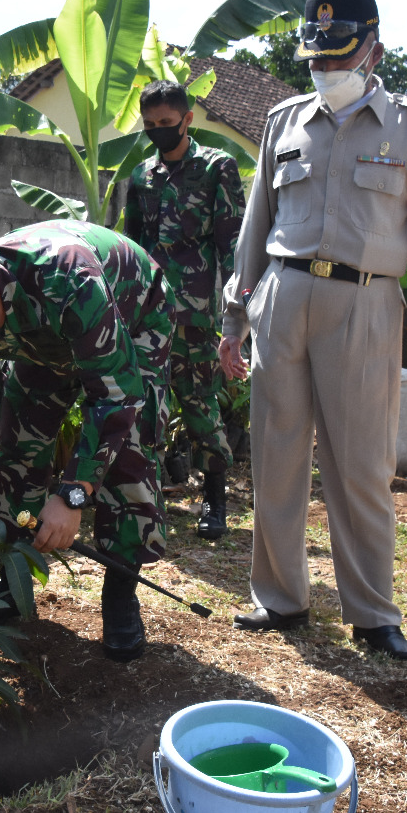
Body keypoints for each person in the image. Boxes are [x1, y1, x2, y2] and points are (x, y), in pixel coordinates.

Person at [216, 0, 407, 661]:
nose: (324, 70)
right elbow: (254, 226)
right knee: (277, 457)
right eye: (316, 59)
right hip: (284, 297)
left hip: (365, 302)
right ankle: (280, 596)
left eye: (339, 57)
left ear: (373, 50)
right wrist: (236, 315)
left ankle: (373, 612)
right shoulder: (283, 122)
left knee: (361, 465)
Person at [0, 219, 173, 662]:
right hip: (45, 335)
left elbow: (115, 396)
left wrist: (74, 494)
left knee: (127, 448)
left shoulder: (69, 280)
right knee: (19, 444)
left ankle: (120, 595)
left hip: (133, 315)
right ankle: (12, 583)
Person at [124, 79, 246, 540]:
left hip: (195, 315)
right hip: (148, 315)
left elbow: (231, 247)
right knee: (145, 407)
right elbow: (131, 248)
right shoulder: (140, 177)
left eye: (167, 124)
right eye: (150, 125)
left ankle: (215, 502)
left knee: (199, 406)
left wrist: (239, 313)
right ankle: (147, 501)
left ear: (188, 120)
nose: (158, 132)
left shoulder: (218, 169)